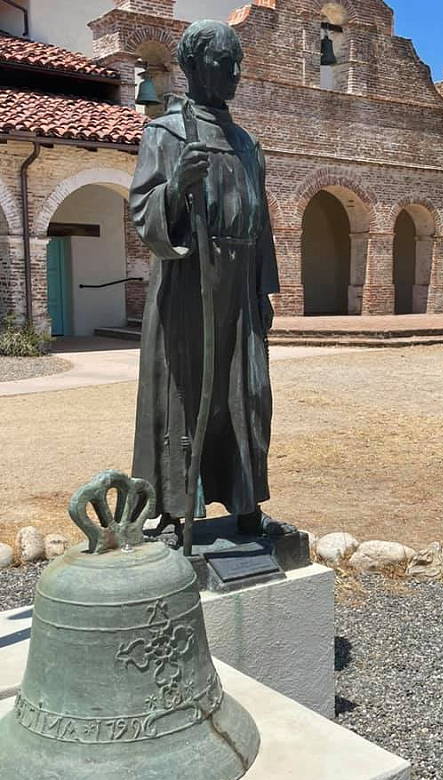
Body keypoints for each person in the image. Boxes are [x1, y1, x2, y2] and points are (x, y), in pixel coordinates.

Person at [130, 20, 291, 538]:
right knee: (186, 391)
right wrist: (176, 187)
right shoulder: (165, 134)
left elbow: (261, 224)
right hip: (189, 284)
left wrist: (264, 288)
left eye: (239, 63)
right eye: (226, 62)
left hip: (240, 288)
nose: (236, 72)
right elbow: (143, 214)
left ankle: (245, 499)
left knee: (247, 392)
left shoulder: (247, 144)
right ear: (195, 66)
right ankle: (176, 506)